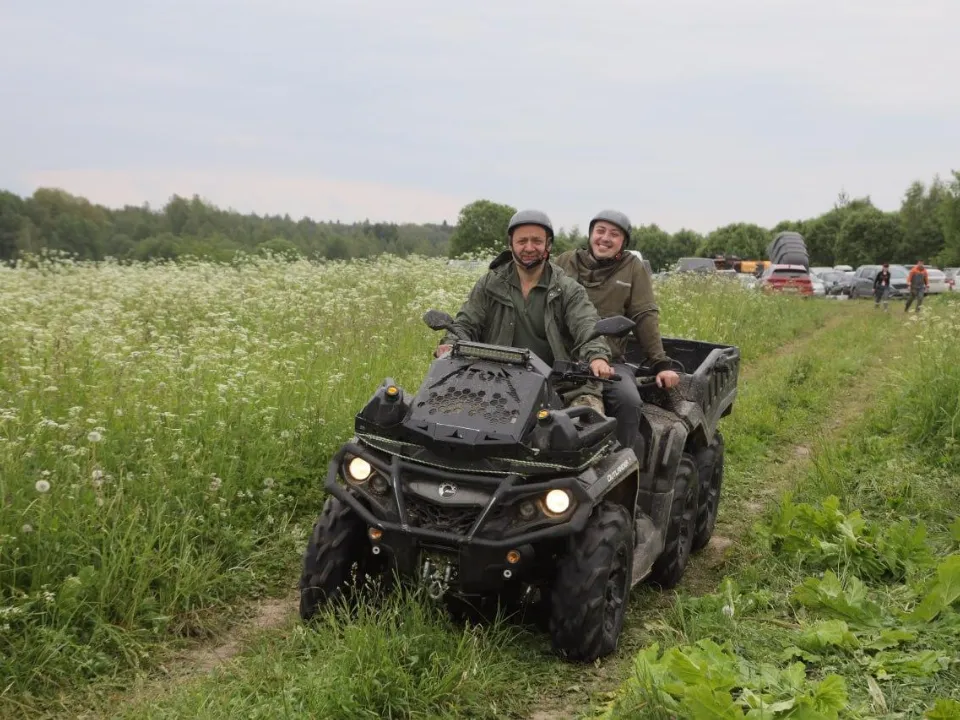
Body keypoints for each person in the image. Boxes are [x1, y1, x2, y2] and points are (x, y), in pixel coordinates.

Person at [435, 209, 613, 414]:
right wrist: (450, 342)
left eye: (537, 241)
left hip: (561, 388)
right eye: (522, 241)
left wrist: (597, 356)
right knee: (444, 418)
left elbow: (587, 326)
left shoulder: (568, 289)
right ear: (511, 245)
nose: (529, 247)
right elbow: (466, 323)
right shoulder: (490, 283)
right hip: (493, 382)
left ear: (548, 245)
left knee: (585, 425)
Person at [554, 209, 680, 459]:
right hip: (562, 357)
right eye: (600, 231)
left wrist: (660, 363)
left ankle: (621, 466)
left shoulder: (632, 268)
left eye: (614, 234)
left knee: (628, 400)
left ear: (623, 242)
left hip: (610, 362)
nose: (605, 238)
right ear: (590, 235)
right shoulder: (565, 261)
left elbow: (644, 315)